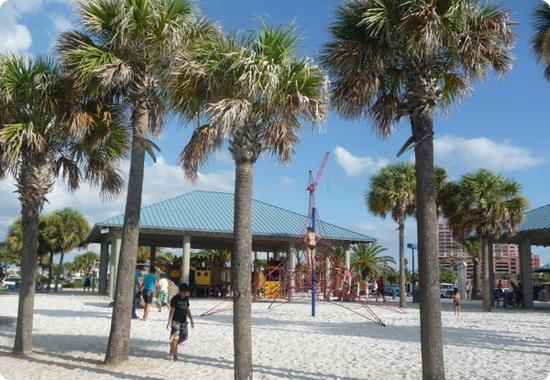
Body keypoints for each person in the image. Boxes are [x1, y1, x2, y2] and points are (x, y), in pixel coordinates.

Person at [167, 283, 194, 361]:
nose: (185, 294)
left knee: (184, 338)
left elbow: (187, 309)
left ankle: (172, 345)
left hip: (184, 321)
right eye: (184, 292)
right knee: (175, 338)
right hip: (175, 321)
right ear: (180, 291)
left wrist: (191, 319)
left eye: (186, 293)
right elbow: (171, 311)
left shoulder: (186, 298)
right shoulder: (174, 299)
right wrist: (169, 321)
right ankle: (175, 356)